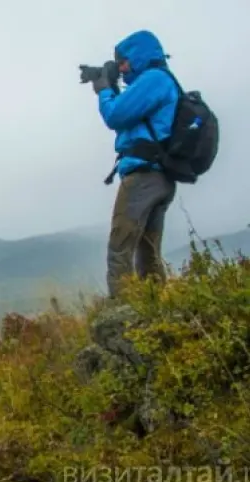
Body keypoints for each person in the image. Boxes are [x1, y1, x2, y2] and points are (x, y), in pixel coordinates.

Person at [90, 30, 179, 299]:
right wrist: (114, 88)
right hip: (159, 175)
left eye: (124, 62)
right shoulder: (158, 81)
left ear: (139, 57)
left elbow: (116, 116)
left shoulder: (153, 79)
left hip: (143, 176)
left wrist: (104, 90)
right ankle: (156, 308)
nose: (121, 68)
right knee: (147, 251)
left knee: (120, 247)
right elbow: (133, 120)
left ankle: (123, 312)